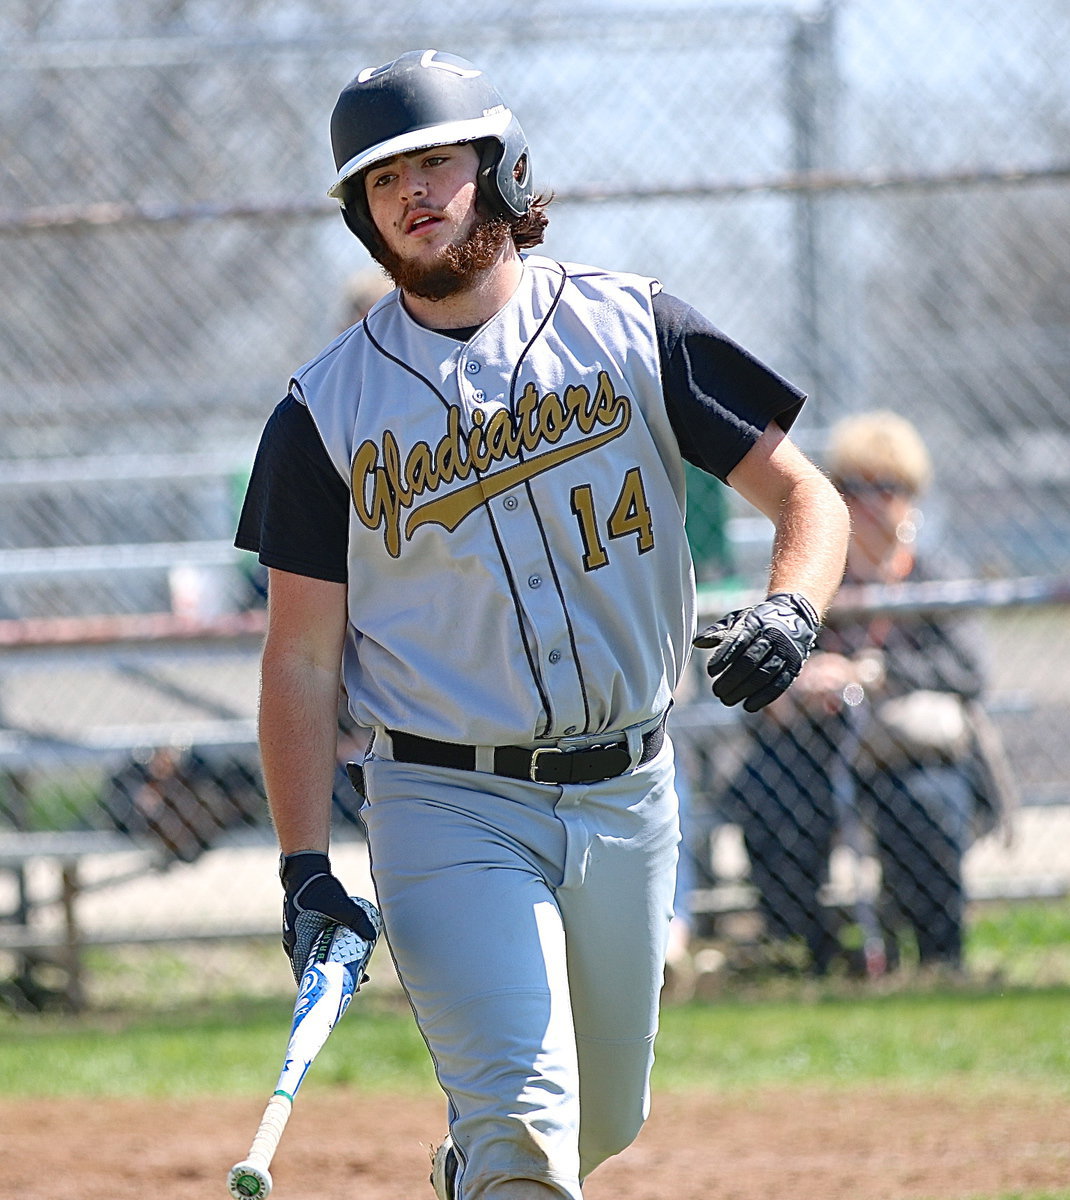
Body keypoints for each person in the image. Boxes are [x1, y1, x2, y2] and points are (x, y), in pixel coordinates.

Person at [235, 49, 848, 1200]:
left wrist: (792, 603)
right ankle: (500, 1159)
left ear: (500, 170)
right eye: (381, 181)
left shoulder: (632, 327)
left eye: (435, 162)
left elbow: (806, 499)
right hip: (444, 800)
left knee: (601, 1123)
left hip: (629, 792)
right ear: (362, 218)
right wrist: (303, 865)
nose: (412, 193)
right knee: (527, 1123)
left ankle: (477, 1167)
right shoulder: (322, 413)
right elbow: (302, 654)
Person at [727, 411, 1015, 977]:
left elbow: (965, 669)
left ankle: (938, 958)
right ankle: (802, 952)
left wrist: (868, 673)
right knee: (768, 797)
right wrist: (802, 679)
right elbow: (766, 660)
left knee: (927, 805)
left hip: (905, 746)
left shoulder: (934, 575)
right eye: (853, 489)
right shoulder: (815, 575)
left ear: (913, 497)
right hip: (817, 740)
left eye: (889, 488)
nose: (871, 504)